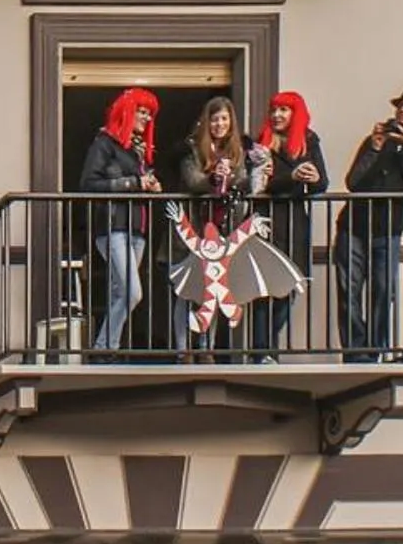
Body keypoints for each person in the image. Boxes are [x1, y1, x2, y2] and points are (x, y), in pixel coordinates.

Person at [339, 83, 403, 362]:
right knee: (349, 288)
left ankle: (376, 348)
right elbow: (353, 182)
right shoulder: (377, 139)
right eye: (401, 105)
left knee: (384, 289)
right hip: (354, 224)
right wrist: (374, 148)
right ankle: (355, 351)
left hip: (389, 225)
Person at [173, 97, 265, 354]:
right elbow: (192, 181)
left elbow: (246, 181)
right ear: (207, 122)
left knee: (211, 291)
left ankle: (207, 349)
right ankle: (182, 351)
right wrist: (214, 177)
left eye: (224, 118)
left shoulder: (238, 150)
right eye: (214, 119)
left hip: (222, 230)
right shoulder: (191, 148)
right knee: (185, 290)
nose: (219, 124)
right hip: (194, 227)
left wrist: (230, 176)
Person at [78, 88, 162, 355]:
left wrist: (150, 186)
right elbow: (88, 185)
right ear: (126, 110)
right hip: (112, 227)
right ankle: (104, 347)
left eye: (149, 114)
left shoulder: (138, 151)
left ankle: (105, 348)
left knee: (121, 294)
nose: (146, 118)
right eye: (141, 111)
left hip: (137, 228)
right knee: (132, 293)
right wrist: (133, 182)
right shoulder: (104, 143)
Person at [253, 91, 328, 356]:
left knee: (290, 288)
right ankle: (262, 351)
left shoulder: (308, 140)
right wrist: (293, 177)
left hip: (295, 222)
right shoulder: (260, 143)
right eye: (274, 110)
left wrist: (314, 176)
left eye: (284, 110)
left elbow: (322, 184)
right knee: (264, 290)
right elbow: (260, 185)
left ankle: (269, 346)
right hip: (266, 222)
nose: (277, 115)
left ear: (296, 114)